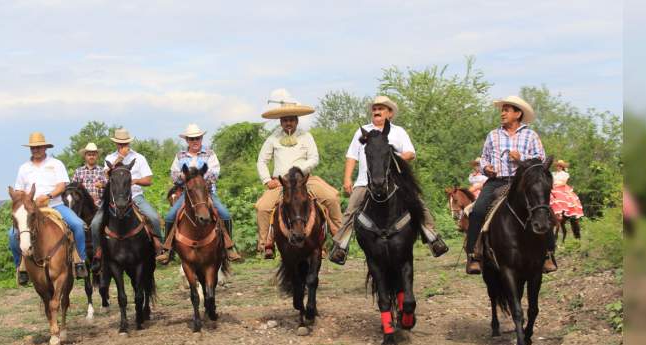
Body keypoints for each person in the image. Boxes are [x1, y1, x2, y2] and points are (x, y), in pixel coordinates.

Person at [328, 95, 448, 265]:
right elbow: (351, 156)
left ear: (390, 113)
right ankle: (341, 245)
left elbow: (410, 153)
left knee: (417, 202)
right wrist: (347, 178)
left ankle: (432, 236)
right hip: (365, 181)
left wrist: (392, 157)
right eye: (374, 109)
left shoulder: (398, 131)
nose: (376, 112)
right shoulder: (362, 132)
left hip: (396, 182)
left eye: (381, 109)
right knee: (351, 209)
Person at [464, 96, 557, 274]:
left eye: (506, 110)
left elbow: (541, 162)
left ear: (518, 113)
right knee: (477, 211)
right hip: (496, 180)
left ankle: (547, 254)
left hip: (522, 181)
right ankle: (473, 256)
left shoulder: (531, 135)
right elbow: (484, 158)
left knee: (544, 210)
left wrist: (521, 160)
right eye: (502, 110)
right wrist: (487, 168)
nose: (503, 113)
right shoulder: (493, 135)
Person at [255, 89, 343, 258]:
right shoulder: (272, 138)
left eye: (291, 119)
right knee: (263, 207)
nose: (288, 123)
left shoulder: (306, 136)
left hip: (304, 180)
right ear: (281, 121)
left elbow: (314, 158)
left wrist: (299, 171)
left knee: (332, 198)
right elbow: (262, 161)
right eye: (285, 120)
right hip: (281, 182)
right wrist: (267, 180)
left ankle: (340, 240)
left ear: (296, 120)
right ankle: (266, 243)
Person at [8, 132, 87, 285]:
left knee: (78, 225)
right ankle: (21, 267)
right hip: (31, 209)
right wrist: (25, 197)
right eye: (33, 148)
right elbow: (18, 190)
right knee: (12, 235)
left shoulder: (56, 164)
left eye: (38, 147)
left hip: (54, 205)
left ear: (45, 147)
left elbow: (62, 185)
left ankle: (80, 261)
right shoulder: (24, 168)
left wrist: (48, 196)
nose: (35, 150)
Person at [157, 123, 242, 264]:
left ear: (201, 139)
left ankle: (229, 247)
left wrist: (198, 180)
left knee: (225, 214)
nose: (195, 141)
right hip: (187, 195)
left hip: (207, 194)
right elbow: (174, 175)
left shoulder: (210, 154)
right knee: (170, 216)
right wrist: (183, 178)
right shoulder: (180, 155)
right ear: (187, 141)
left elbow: (214, 173)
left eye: (197, 138)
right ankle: (168, 250)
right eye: (192, 139)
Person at [91, 128, 164, 272]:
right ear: (116, 143)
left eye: (124, 143)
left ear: (128, 142)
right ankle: (98, 253)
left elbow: (149, 180)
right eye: (119, 143)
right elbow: (106, 175)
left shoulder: (139, 157)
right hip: (114, 198)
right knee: (95, 223)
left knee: (154, 217)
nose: (121, 145)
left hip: (135, 195)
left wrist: (135, 181)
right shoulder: (110, 158)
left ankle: (160, 248)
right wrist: (120, 159)